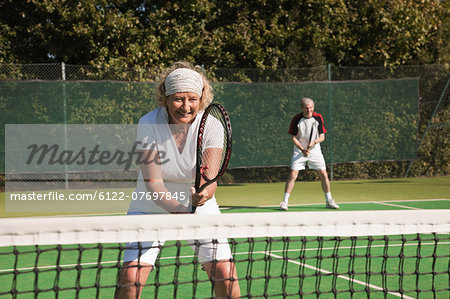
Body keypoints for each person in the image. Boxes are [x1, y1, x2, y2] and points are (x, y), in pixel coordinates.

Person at [115, 61, 240, 298]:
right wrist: (181, 211)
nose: (185, 106)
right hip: (149, 208)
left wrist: (203, 195)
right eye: (178, 99)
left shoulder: (212, 124)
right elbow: (154, 185)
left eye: (192, 99)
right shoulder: (148, 123)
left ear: (202, 98)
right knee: (130, 280)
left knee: (226, 276)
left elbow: (210, 180)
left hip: (200, 210)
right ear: (165, 97)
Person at [280, 97, 339, 211]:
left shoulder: (318, 118)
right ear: (302, 108)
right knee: (293, 174)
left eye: (311, 108)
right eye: (306, 108)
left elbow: (322, 137)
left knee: (323, 173)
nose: (309, 111)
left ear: (313, 108)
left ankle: (329, 201)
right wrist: (302, 149)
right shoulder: (296, 119)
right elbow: (293, 137)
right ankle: (284, 202)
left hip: (315, 149)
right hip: (299, 150)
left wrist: (314, 142)